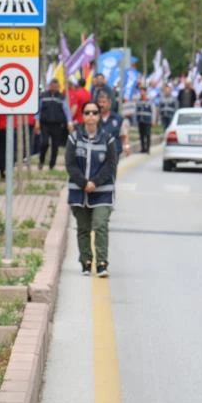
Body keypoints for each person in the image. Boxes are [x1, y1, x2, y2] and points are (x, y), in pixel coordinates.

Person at [66, 101, 119, 278]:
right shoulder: (74, 138)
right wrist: (83, 183)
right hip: (79, 191)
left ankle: (102, 263)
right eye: (87, 113)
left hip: (102, 191)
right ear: (82, 116)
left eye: (94, 113)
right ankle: (86, 262)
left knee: (100, 225)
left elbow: (111, 164)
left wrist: (94, 182)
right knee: (83, 228)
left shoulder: (108, 138)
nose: (91, 116)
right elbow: (70, 164)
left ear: (98, 116)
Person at [36, 78, 72, 170]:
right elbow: (38, 110)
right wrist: (37, 121)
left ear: (58, 87)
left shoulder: (61, 97)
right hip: (45, 124)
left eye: (56, 86)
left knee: (55, 145)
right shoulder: (43, 96)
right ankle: (41, 160)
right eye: (52, 85)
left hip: (57, 124)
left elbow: (66, 110)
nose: (54, 87)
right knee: (44, 143)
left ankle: (52, 164)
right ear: (49, 86)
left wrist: (69, 121)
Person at [97, 92, 129, 157]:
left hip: (114, 152)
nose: (101, 105)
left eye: (104, 102)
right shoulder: (95, 118)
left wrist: (126, 146)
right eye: (99, 102)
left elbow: (124, 134)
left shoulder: (118, 119)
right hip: (98, 152)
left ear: (109, 103)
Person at [134, 86, 154, 154]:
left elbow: (153, 111)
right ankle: (143, 148)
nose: (141, 93)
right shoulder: (139, 101)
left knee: (147, 135)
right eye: (140, 91)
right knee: (141, 135)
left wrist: (153, 120)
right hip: (140, 120)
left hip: (147, 120)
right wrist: (136, 120)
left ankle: (148, 149)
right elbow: (136, 111)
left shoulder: (149, 101)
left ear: (145, 92)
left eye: (143, 91)